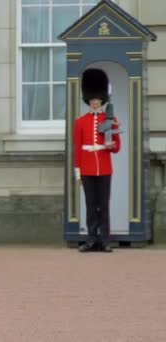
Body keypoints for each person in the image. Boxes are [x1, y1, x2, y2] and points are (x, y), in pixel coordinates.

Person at [75, 68, 121, 253]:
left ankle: (105, 240)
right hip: (86, 169)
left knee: (104, 205)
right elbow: (77, 149)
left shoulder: (110, 119)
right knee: (90, 206)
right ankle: (91, 239)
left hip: (104, 168)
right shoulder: (80, 121)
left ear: (102, 99)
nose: (95, 101)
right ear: (88, 100)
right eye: (92, 99)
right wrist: (77, 173)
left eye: (97, 99)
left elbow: (117, 147)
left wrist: (110, 145)